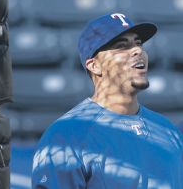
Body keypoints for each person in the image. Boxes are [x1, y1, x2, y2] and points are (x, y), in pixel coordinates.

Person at [31, 13, 183, 189]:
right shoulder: (65, 136)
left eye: (139, 43)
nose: (137, 50)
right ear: (94, 65)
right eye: (121, 46)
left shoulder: (167, 130)